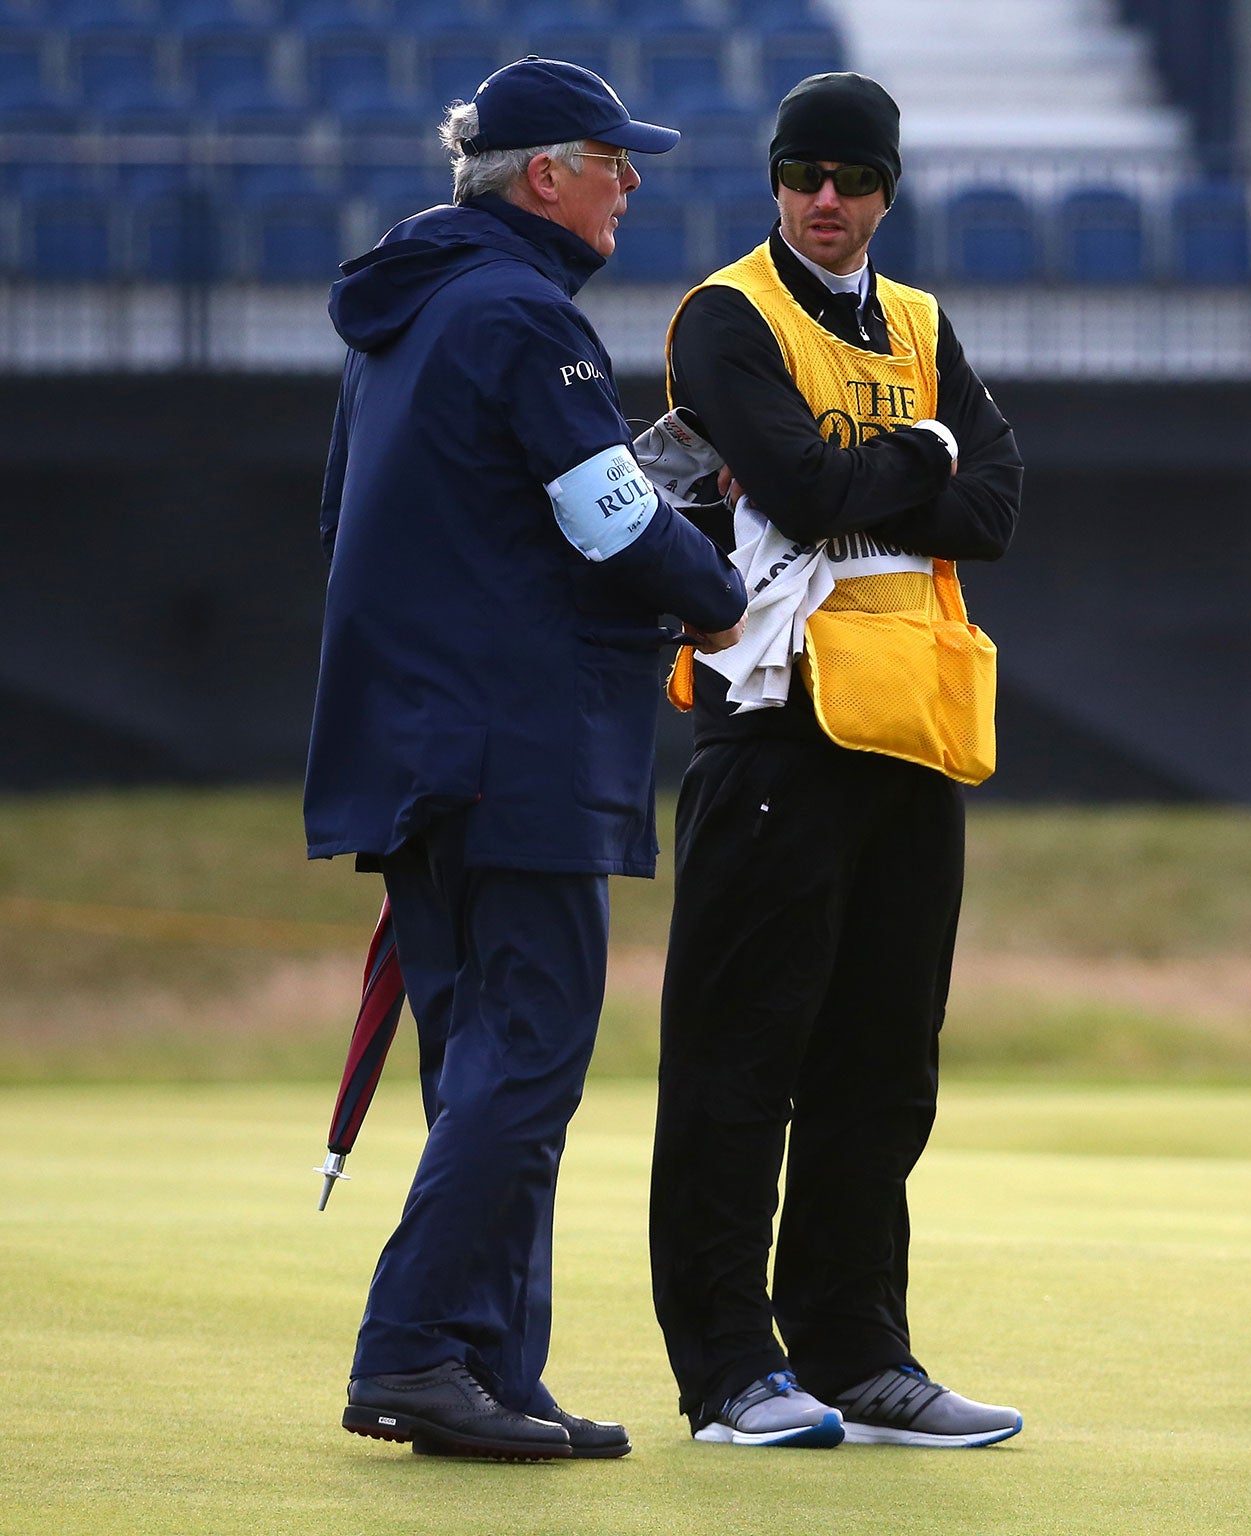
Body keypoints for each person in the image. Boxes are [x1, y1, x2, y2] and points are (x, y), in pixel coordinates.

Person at [306, 57, 746, 1461]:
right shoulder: (518, 313)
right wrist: (724, 591)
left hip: (424, 747)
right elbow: (611, 530)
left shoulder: (412, 316)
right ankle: (417, 1352)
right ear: (545, 174)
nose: (633, 184)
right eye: (616, 160)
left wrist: (642, 477)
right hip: (520, 750)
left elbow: (393, 522)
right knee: (530, 1061)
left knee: (479, 1063)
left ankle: (491, 1370)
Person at [646, 72, 1025, 1450]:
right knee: (743, 1054)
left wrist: (890, 460)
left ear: (888, 190)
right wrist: (918, 450)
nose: (826, 202)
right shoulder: (726, 315)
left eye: (852, 180)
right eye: (805, 174)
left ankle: (860, 1351)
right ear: (777, 178)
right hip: (774, 727)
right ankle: (729, 1367)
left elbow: (994, 503)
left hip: (913, 721)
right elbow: (801, 489)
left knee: (883, 1063)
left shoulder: (922, 322)